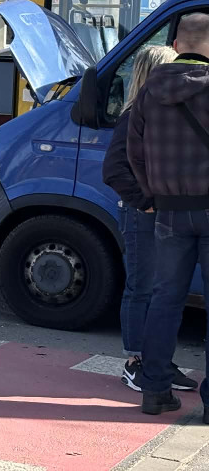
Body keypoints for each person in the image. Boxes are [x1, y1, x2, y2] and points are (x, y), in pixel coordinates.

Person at [128, 12, 209, 418]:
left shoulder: (148, 92)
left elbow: (133, 153)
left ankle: (155, 390)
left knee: (164, 301)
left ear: (176, 45)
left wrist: (151, 194)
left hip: (169, 213)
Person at [103, 46, 195, 392]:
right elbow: (113, 170)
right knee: (142, 288)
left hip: (167, 213)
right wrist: (145, 202)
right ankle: (135, 361)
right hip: (143, 214)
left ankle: (158, 361)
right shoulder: (134, 116)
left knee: (165, 291)